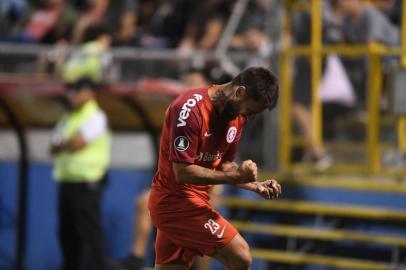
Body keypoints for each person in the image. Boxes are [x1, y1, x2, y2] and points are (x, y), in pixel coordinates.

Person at [148, 66, 281, 270]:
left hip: (194, 203)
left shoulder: (236, 118)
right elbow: (182, 172)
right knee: (241, 256)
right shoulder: (189, 109)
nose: (248, 117)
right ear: (240, 92)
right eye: (250, 110)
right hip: (175, 204)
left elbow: (225, 165)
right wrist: (236, 177)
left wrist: (255, 185)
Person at [112, 62, 234, 270]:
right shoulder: (184, 110)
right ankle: (137, 259)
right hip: (178, 186)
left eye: (194, 82)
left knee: (206, 225)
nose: (189, 86)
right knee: (145, 203)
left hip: (204, 187)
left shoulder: (219, 116)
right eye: (188, 82)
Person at [49, 77, 111, 270]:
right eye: (72, 90)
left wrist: (64, 143)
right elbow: (52, 147)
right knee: (67, 233)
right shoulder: (69, 117)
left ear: (90, 93)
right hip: (67, 181)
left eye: (78, 90)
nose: (73, 94)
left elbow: (77, 143)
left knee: (89, 232)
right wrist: (67, 142)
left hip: (88, 183)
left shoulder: (96, 116)